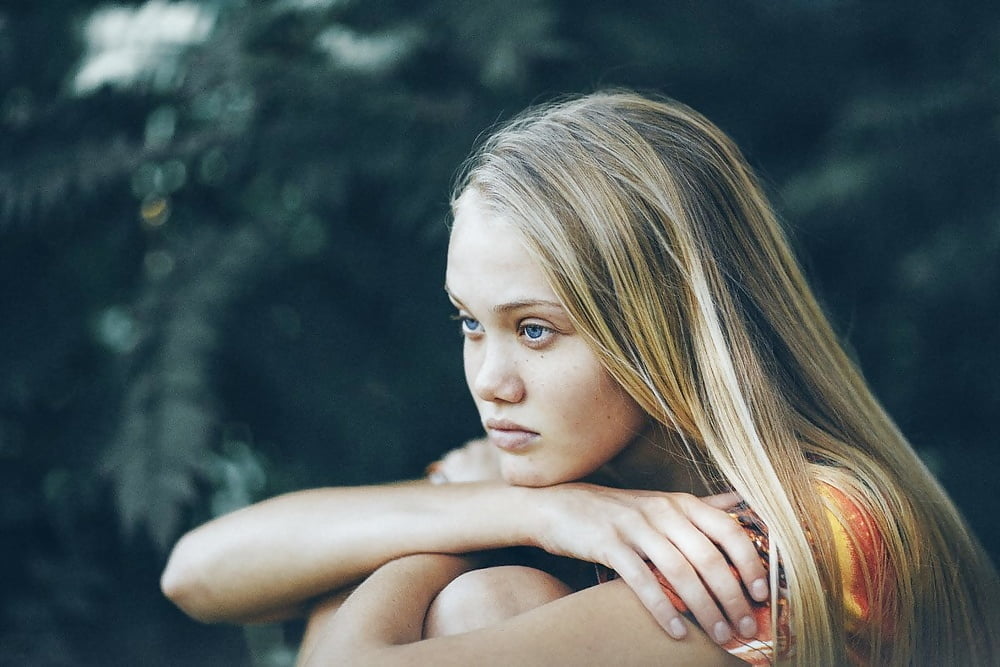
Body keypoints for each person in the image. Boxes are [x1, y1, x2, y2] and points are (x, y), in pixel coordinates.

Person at [161, 91, 1000, 666]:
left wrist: (436, 534)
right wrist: (539, 508)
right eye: (468, 323)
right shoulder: (577, 493)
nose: (492, 380)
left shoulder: (808, 530)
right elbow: (196, 572)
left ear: (664, 324)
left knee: (472, 600)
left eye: (534, 330)